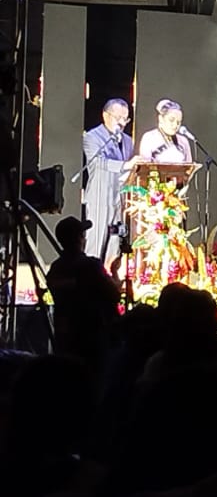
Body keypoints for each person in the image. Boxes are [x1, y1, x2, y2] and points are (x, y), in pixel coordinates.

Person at [46, 216, 121, 364]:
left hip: (66, 339)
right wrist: (114, 272)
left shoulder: (56, 269)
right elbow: (114, 294)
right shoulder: (91, 266)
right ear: (80, 238)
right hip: (93, 339)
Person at [81, 97, 141, 265]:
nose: (122, 123)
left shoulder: (127, 141)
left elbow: (130, 170)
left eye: (125, 119)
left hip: (119, 199)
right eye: (118, 118)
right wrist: (125, 165)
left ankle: (110, 275)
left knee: (115, 243)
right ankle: (91, 275)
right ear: (105, 115)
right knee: (96, 243)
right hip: (100, 198)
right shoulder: (92, 137)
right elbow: (98, 162)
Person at [139, 98, 192, 164]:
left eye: (178, 122)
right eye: (171, 120)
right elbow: (145, 165)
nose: (175, 125)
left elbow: (189, 166)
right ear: (161, 119)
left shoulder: (183, 141)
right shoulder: (149, 138)